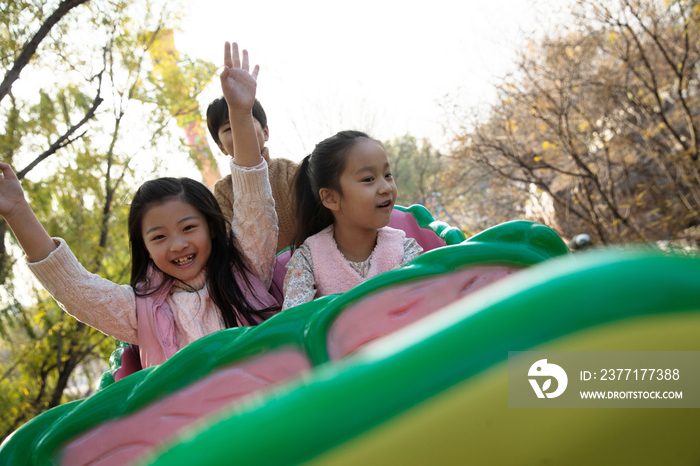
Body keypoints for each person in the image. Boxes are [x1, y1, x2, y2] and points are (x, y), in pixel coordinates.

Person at [0, 42, 278, 368]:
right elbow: (75, 288)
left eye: (188, 228)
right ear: (145, 247)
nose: (177, 244)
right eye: (158, 237)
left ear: (213, 227)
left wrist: (241, 115)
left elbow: (254, 203)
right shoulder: (139, 311)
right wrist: (17, 211)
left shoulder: (246, 267)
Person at [282, 131, 423, 310]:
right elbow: (295, 322)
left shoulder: (405, 249)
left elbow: (423, 305)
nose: (386, 188)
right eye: (368, 179)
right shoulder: (308, 260)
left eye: (388, 175)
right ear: (331, 198)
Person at [207, 96, 298, 253]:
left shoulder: (291, 171)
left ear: (266, 132)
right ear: (221, 147)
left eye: (246, 122)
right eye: (229, 128)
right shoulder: (223, 191)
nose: (239, 131)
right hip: (262, 276)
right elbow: (230, 243)